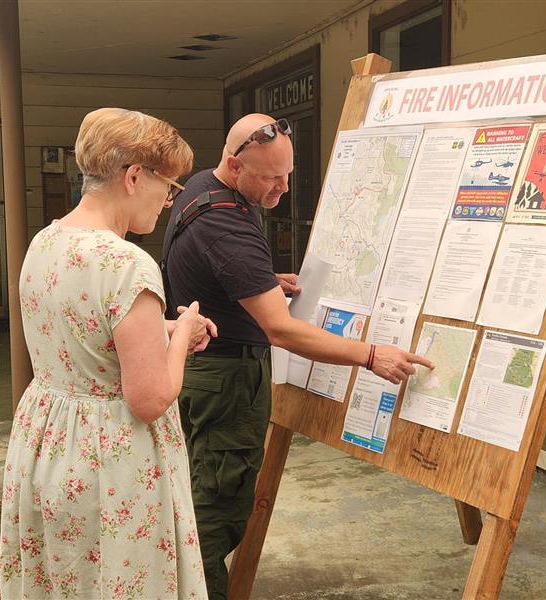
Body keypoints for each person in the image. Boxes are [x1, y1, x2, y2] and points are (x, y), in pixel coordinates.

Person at [162, 113, 434, 599]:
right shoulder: (229, 228)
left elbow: (218, 269)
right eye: (270, 178)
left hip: (200, 373)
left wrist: (263, 283)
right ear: (234, 164)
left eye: (287, 175)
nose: (283, 189)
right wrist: (370, 354)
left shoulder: (204, 187)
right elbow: (281, 329)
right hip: (226, 382)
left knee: (198, 494)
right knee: (216, 512)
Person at [0, 108, 216, 599]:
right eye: (170, 185)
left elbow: (79, 327)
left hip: (47, 444)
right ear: (134, 176)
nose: (169, 200)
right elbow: (151, 398)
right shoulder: (126, 263)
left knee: (64, 582)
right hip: (111, 460)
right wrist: (181, 333)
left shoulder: (45, 241)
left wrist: (157, 330)